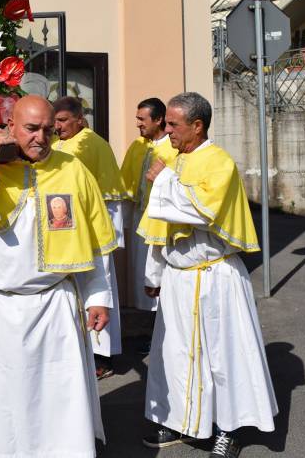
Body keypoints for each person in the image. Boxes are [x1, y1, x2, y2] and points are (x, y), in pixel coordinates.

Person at [0, 95, 116, 458]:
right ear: (10, 128)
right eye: (31, 129)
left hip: (55, 304)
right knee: (0, 402)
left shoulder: (72, 169)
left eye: (48, 130)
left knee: (58, 401)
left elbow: (95, 243)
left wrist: (98, 296)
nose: (41, 138)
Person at [139, 92, 277, 456]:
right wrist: (154, 274)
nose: (166, 131)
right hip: (178, 276)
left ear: (197, 126)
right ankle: (185, 422)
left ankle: (228, 429)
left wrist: (163, 180)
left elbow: (199, 210)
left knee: (224, 356)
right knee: (177, 354)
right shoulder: (174, 158)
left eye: (173, 124)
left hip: (215, 276)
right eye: (166, 123)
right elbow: (159, 223)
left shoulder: (219, 163)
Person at [52, 95, 129, 379]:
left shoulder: (94, 144)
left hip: (93, 232)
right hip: (67, 231)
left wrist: (109, 237)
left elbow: (108, 198)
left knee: (99, 289)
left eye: (62, 121)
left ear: (79, 119)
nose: (57, 127)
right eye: (55, 121)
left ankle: (102, 356)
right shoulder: (55, 144)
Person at [120, 97, 178, 310]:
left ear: (159, 119)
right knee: (140, 269)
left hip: (163, 219)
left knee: (160, 269)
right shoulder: (137, 145)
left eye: (142, 119)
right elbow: (126, 184)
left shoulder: (173, 147)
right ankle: (145, 319)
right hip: (139, 217)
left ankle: (161, 316)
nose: (138, 124)